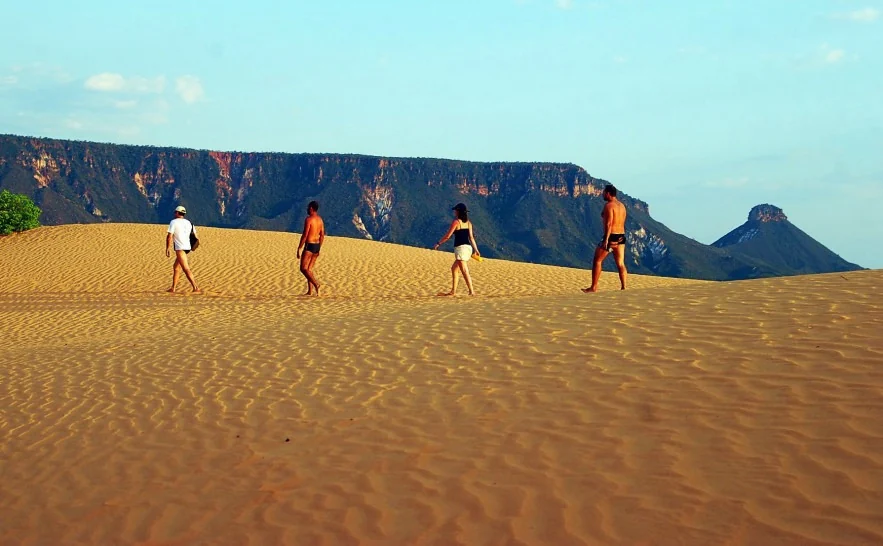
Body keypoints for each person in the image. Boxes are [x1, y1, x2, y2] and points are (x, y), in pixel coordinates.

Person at [583, 184, 628, 292]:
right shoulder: (622, 206)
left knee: (597, 261)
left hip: (611, 236)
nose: (602, 194)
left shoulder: (609, 206)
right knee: (620, 263)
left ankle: (593, 287)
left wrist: (606, 239)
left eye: (603, 192)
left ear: (608, 193)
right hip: (621, 236)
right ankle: (624, 287)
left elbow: (609, 224)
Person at [434, 203, 480, 296]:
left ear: (459, 212)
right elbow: (471, 238)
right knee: (454, 268)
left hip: (461, 249)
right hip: (468, 248)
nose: (454, 211)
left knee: (464, 270)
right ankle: (453, 291)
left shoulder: (456, 222)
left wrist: (438, 243)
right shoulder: (469, 223)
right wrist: (476, 250)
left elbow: (448, 236)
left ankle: (471, 291)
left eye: (456, 210)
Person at [165, 205, 201, 293]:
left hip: (180, 248)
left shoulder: (174, 222)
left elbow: (169, 236)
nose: (174, 213)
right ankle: (173, 288)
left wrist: (167, 248)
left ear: (177, 213)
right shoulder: (189, 222)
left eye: (175, 212)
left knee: (186, 268)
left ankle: (195, 287)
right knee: (176, 267)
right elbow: (196, 236)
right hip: (187, 248)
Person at [296, 200, 325, 296]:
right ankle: (310, 291)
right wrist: (319, 247)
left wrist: (299, 247)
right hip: (316, 246)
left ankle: (316, 284)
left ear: (311, 208)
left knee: (303, 268)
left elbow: (305, 234)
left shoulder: (308, 219)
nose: (307, 209)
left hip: (309, 245)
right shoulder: (320, 220)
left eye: (308, 207)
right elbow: (322, 235)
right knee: (309, 269)